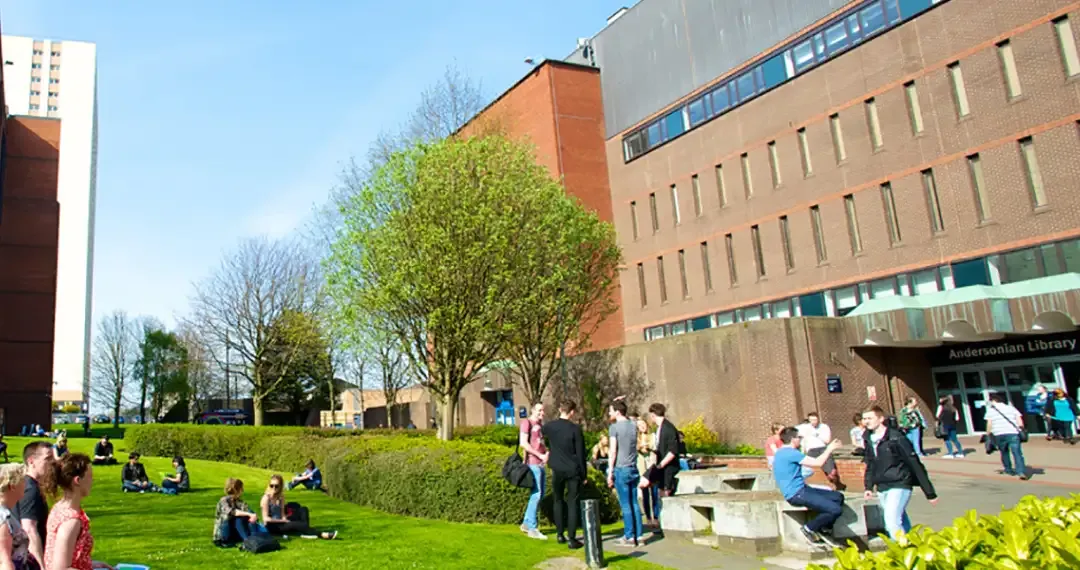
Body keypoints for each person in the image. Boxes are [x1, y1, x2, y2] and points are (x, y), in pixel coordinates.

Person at [861, 406, 938, 540]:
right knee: (900, 519)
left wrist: (929, 492)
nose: (866, 421)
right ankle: (913, 545)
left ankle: (901, 553)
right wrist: (868, 486)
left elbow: (914, 462)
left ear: (880, 419)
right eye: (864, 418)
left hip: (899, 483)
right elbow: (870, 464)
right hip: (882, 485)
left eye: (870, 418)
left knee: (891, 522)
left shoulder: (896, 437)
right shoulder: (868, 438)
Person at [772, 427, 845, 547]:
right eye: (799, 438)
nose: (800, 440)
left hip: (802, 489)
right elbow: (818, 463)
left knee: (838, 497)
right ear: (793, 439)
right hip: (797, 494)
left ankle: (824, 529)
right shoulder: (791, 453)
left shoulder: (780, 452)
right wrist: (829, 448)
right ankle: (809, 528)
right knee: (835, 510)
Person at [43, 453, 113, 570]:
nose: (92, 480)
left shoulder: (59, 507)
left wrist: (93, 565)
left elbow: (69, 556)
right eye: (90, 476)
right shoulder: (70, 522)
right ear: (78, 480)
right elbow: (60, 568)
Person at [540, 401, 586, 550]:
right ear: (572, 412)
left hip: (557, 468)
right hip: (572, 469)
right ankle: (572, 538)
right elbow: (580, 454)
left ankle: (560, 533)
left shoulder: (550, 427)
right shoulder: (575, 429)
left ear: (560, 409)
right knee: (572, 503)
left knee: (558, 500)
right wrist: (584, 474)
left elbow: (538, 433)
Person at [607, 400, 642, 548]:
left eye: (610, 410)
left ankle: (629, 536)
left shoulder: (614, 428)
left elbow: (613, 450)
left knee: (625, 504)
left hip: (621, 468)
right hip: (633, 467)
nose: (609, 413)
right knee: (634, 503)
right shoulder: (634, 426)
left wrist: (610, 471)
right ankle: (639, 535)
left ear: (617, 411)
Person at [14, 442, 54, 567]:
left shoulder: (24, 485)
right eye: (48, 458)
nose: (53, 463)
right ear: (31, 461)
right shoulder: (31, 489)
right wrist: (41, 566)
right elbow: (29, 529)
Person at [260, 475, 336, 540]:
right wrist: (283, 521)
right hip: (272, 526)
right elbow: (266, 519)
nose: (273, 488)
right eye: (271, 485)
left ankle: (305, 531)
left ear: (280, 486)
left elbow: (282, 512)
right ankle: (322, 534)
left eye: (276, 486)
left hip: (281, 521)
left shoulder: (281, 497)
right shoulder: (266, 498)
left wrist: (284, 518)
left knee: (303, 509)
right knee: (296, 524)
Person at [518, 403, 548, 541]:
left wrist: (546, 453)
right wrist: (537, 455)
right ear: (533, 411)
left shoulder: (540, 426)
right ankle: (532, 528)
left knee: (539, 494)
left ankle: (526, 522)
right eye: (539, 410)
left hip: (541, 463)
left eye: (543, 410)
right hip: (533, 463)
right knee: (537, 494)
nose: (542, 412)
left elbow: (541, 442)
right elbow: (523, 443)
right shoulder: (526, 423)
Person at [0, 463, 36, 570]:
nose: (26, 484)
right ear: (12, 486)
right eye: (23, 481)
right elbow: (4, 560)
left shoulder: (7, 513)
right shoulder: (3, 517)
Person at [985, 392, 1029, 480]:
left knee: (1004, 452)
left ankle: (1008, 469)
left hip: (999, 433)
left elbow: (989, 424)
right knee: (1017, 453)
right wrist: (1021, 429)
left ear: (994, 401)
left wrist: (988, 433)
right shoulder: (1011, 408)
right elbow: (1020, 421)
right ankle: (1020, 471)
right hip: (1013, 432)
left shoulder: (991, 411)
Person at [213, 478, 267, 546]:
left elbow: (248, 510)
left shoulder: (238, 501)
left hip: (233, 532)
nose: (243, 491)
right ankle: (248, 540)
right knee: (238, 517)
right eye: (241, 489)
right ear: (236, 490)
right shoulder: (223, 501)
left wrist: (253, 515)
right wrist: (249, 514)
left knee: (246, 515)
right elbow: (233, 512)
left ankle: (253, 538)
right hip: (222, 535)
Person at [796, 412, 842, 488]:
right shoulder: (805, 427)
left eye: (815, 420)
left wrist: (817, 435)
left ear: (818, 419)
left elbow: (827, 441)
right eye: (811, 420)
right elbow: (793, 430)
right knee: (808, 468)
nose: (813, 422)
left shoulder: (824, 427)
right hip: (811, 450)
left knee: (831, 471)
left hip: (823, 449)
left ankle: (834, 480)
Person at [648, 403, 680, 501]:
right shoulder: (660, 428)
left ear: (653, 415)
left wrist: (661, 465)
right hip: (662, 469)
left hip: (668, 469)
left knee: (666, 496)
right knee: (661, 495)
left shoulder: (668, 428)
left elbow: (672, 451)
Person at [634, 418, 659, 529]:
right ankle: (648, 518)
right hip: (642, 467)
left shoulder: (653, 436)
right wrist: (639, 448)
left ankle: (656, 517)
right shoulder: (636, 438)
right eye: (639, 425)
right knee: (645, 495)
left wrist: (649, 448)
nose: (642, 426)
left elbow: (657, 448)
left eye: (643, 424)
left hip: (652, 466)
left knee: (654, 493)